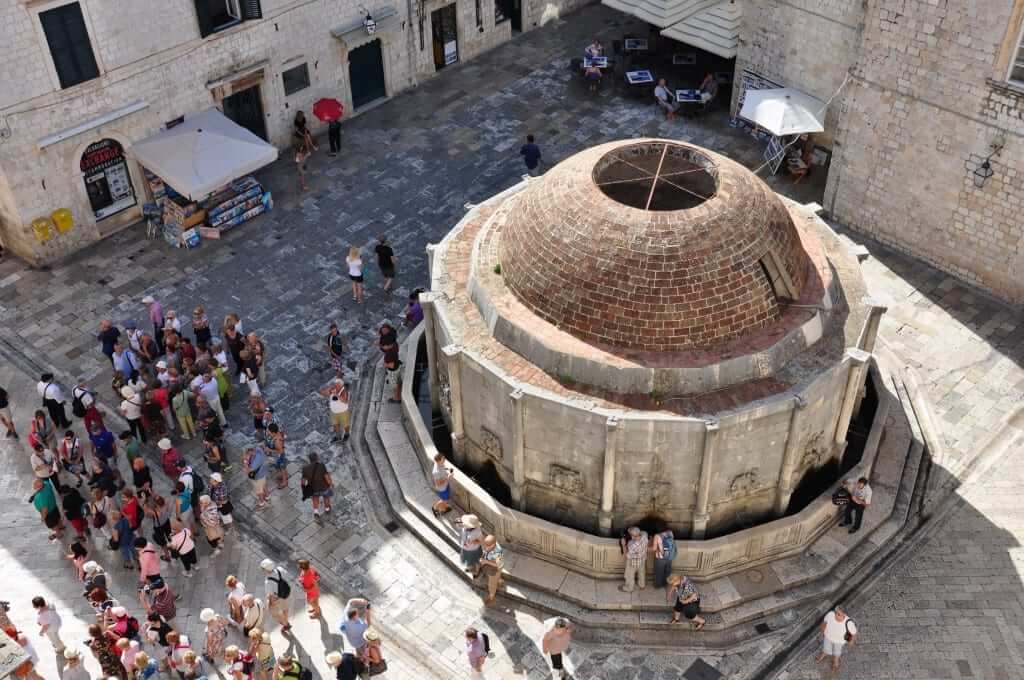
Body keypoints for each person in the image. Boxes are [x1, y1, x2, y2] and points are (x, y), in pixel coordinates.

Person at [816, 606, 857, 672]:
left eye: (838, 614)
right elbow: (824, 623)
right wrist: (822, 631)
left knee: (837, 652)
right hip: (828, 637)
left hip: (839, 641)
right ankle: (824, 653)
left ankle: (836, 661)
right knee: (826, 647)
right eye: (835, 612)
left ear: (844, 614)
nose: (835, 615)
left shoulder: (849, 623)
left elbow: (854, 633)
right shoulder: (830, 614)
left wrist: (851, 641)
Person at [261, 559, 292, 632]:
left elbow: (270, 595)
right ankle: (286, 620)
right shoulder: (280, 569)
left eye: (263, 569)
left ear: (266, 569)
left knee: (274, 613)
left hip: (278, 597)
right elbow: (288, 578)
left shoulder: (268, 581)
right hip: (286, 593)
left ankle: (285, 624)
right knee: (285, 608)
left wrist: (269, 604)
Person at [301, 452, 334, 518]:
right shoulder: (321, 466)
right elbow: (326, 477)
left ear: (309, 459)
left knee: (315, 499)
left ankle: (316, 512)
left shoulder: (305, 469)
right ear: (316, 458)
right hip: (324, 487)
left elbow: (303, 481)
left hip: (313, 488)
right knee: (326, 498)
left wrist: (304, 489)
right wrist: (331, 484)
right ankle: (327, 509)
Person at [319, 377, 350, 444]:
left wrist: (336, 395)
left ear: (341, 385)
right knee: (335, 426)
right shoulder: (333, 389)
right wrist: (328, 389)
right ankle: (338, 437)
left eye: (337, 385)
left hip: (342, 412)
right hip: (334, 412)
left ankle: (347, 434)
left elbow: (345, 401)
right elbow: (323, 393)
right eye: (335, 384)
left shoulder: (344, 392)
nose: (336, 386)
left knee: (345, 425)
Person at [620, 526, 648, 592]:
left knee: (630, 575)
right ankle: (642, 585)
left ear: (632, 536)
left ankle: (629, 588)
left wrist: (623, 545)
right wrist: (637, 534)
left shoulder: (631, 545)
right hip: (642, 560)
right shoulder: (644, 536)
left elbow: (627, 555)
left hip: (633, 562)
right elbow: (643, 532)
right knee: (641, 573)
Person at [480, 535, 505, 605]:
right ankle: (500, 582)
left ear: (493, 544)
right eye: (485, 545)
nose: (486, 547)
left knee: (491, 584)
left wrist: (486, 561)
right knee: (497, 578)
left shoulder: (497, 552)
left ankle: (491, 597)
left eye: (488, 546)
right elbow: (485, 551)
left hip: (495, 569)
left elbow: (499, 564)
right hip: (491, 567)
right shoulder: (488, 545)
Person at [431, 452, 453, 517]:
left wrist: (448, 469)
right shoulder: (436, 472)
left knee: (445, 499)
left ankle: (444, 508)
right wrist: (448, 478)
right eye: (443, 459)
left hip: (445, 486)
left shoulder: (440, 464)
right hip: (442, 489)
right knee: (444, 500)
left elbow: (443, 468)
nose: (444, 460)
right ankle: (435, 508)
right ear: (438, 461)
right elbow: (438, 484)